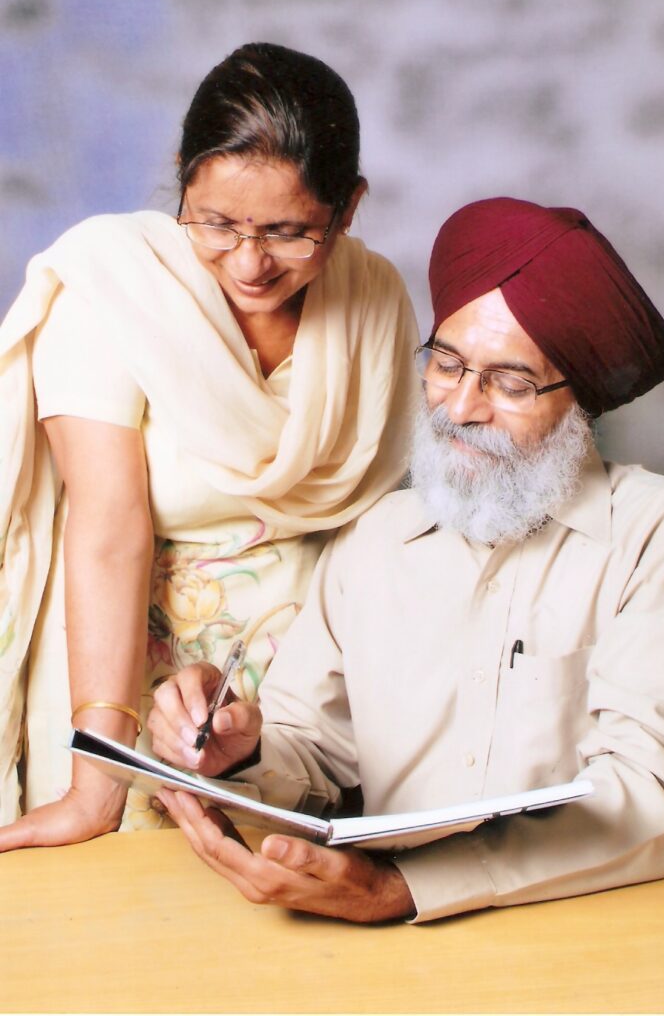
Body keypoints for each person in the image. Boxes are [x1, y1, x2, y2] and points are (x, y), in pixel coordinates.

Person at [153, 197, 664, 923]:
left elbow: (653, 794)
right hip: (385, 939)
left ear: (578, 398)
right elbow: (312, 754)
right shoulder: (375, 538)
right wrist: (238, 752)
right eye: (447, 364)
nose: (459, 408)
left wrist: (402, 888)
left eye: (510, 384)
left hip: (589, 928)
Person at [0, 43, 418, 846]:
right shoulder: (114, 287)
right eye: (217, 223)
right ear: (182, 179)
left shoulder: (372, 299)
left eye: (289, 232)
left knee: (294, 896)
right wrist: (97, 782)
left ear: (348, 208)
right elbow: (107, 529)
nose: (250, 263)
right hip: (121, 682)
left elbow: (376, 531)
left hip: (308, 701)